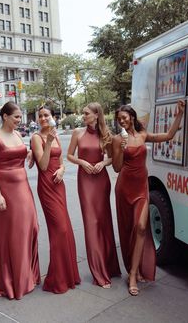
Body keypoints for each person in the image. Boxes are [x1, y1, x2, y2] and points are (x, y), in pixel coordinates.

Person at [112, 100, 185, 296]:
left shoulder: (143, 134)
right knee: (129, 230)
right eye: (119, 120)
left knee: (142, 227)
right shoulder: (118, 139)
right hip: (124, 188)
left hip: (141, 189)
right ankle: (132, 271)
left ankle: (134, 274)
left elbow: (168, 135)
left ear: (132, 117)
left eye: (124, 118)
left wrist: (179, 114)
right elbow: (117, 167)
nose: (122, 122)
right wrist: (121, 147)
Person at [0, 101, 40, 300]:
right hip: (5, 190)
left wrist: (31, 153)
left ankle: (27, 274)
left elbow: (22, 152)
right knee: (12, 234)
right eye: (16, 116)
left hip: (23, 188)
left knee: (31, 228)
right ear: (5, 116)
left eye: (20, 116)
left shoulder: (17, 134)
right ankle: (12, 280)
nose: (19, 120)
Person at [67, 102, 121, 288]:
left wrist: (103, 163)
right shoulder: (77, 133)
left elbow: (113, 157)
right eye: (83, 113)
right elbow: (69, 155)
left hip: (101, 181)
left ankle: (111, 267)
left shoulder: (105, 135)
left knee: (104, 222)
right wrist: (82, 161)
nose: (84, 116)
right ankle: (99, 273)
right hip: (85, 181)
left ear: (97, 115)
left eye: (87, 113)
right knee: (91, 224)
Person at [31, 105, 81, 294]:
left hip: (59, 186)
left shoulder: (56, 135)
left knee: (65, 229)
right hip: (46, 187)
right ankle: (56, 278)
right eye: (40, 115)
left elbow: (61, 163)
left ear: (53, 117)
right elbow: (43, 166)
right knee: (59, 229)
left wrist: (62, 170)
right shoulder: (36, 138)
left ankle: (68, 275)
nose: (43, 118)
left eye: (47, 115)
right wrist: (48, 142)